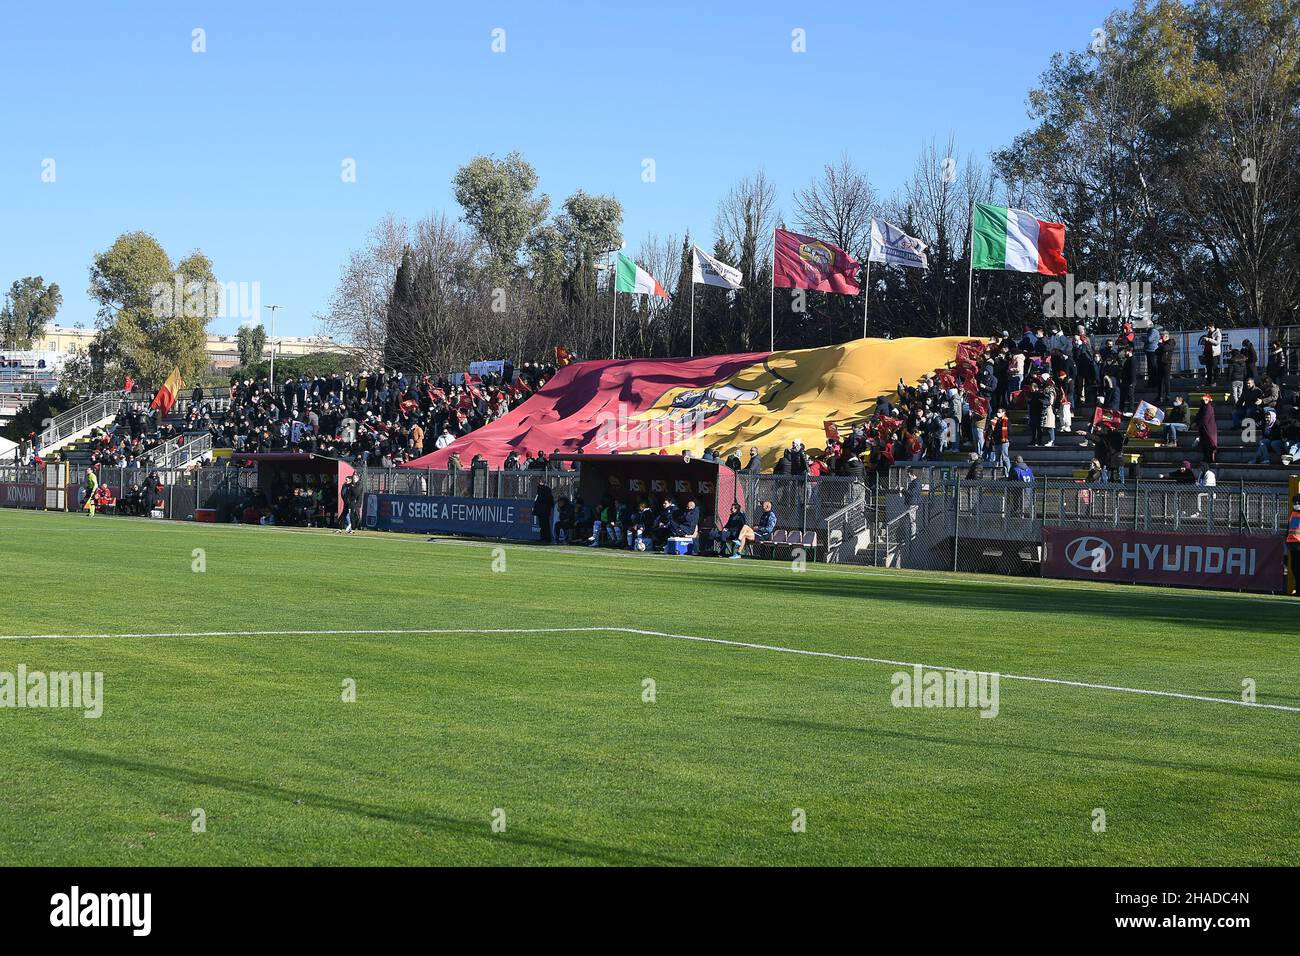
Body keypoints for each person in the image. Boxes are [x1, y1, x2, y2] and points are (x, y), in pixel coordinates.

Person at [1195, 395, 1218, 464]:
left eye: (1206, 400)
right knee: (1204, 444)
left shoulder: (1209, 407)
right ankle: (1206, 458)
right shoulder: (1203, 407)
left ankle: (1210, 459)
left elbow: (1205, 419)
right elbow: (1198, 416)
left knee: (1210, 444)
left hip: (1209, 430)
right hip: (1203, 429)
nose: (1204, 401)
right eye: (1203, 400)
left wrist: (1198, 424)